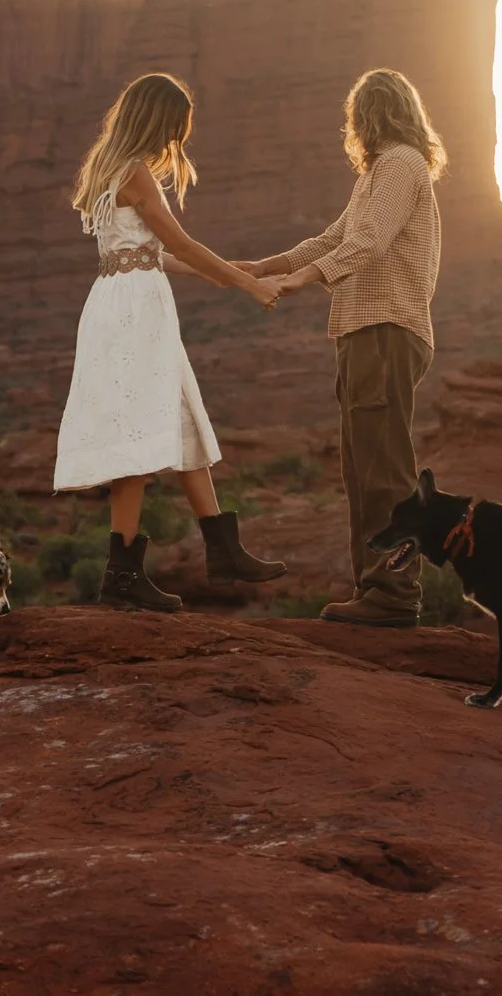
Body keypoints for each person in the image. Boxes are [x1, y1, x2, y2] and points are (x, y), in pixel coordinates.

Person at [55, 71, 288, 611]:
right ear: (156, 120)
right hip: (135, 312)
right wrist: (248, 285)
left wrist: (225, 271)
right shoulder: (134, 172)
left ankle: (222, 549)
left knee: (181, 417)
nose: (174, 141)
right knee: (138, 432)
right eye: (174, 128)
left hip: (124, 302)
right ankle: (122, 576)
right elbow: (179, 243)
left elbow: (150, 254)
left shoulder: (108, 166)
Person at [240, 68, 445, 628]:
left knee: (384, 470)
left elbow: (369, 242)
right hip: (364, 332)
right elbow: (334, 238)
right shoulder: (379, 173)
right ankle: (374, 588)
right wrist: (268, 265)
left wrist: (301, 280)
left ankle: (394, 593)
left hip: (384, 331)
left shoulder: (400, 163)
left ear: (369, 115)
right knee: (362, 470)